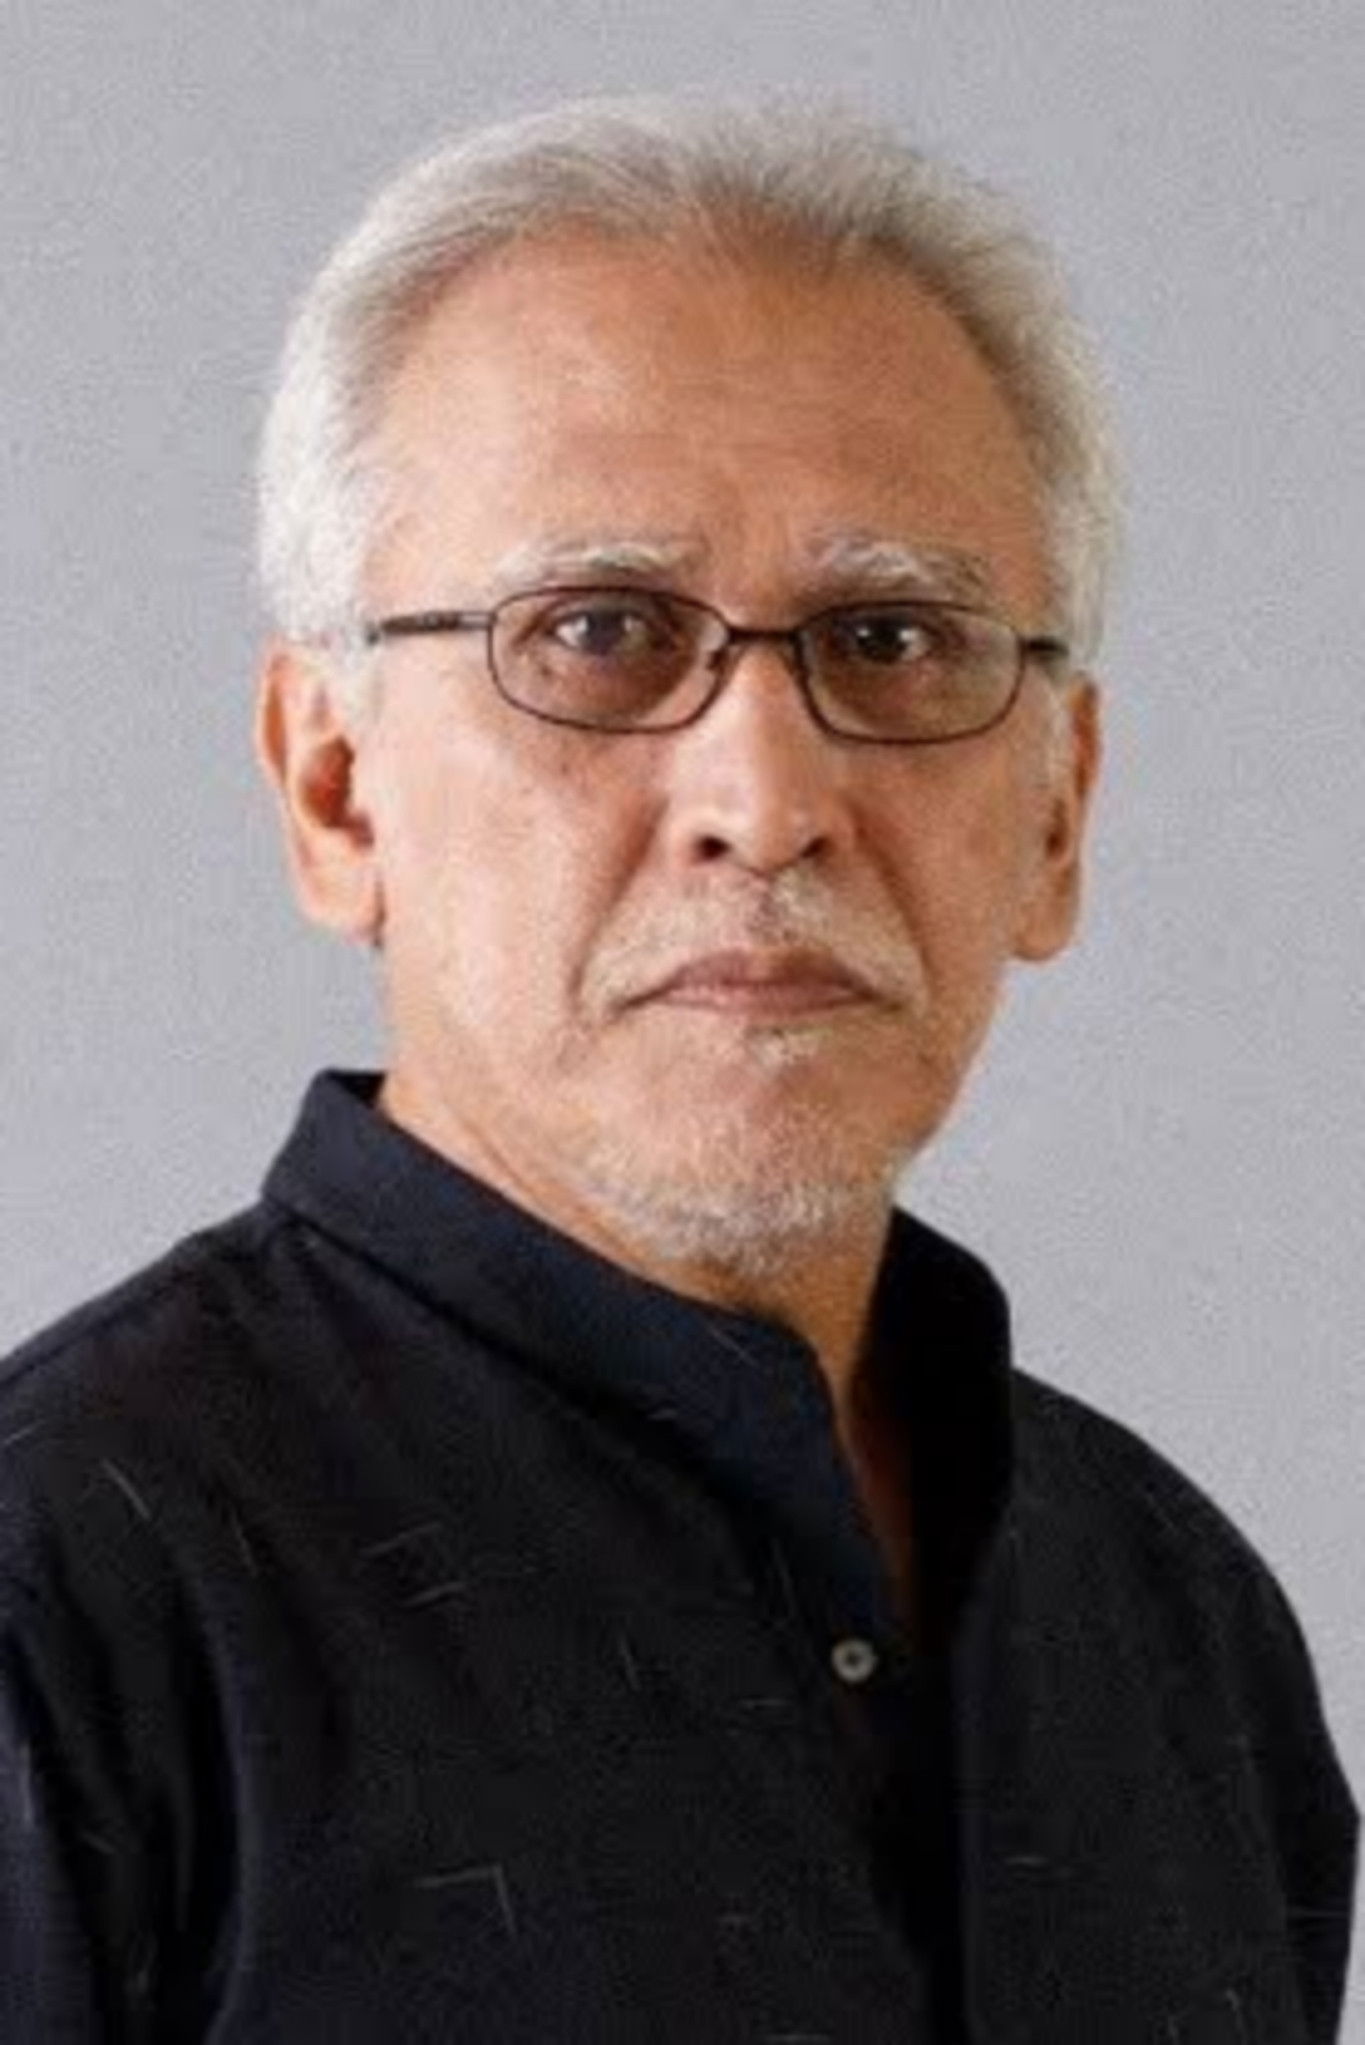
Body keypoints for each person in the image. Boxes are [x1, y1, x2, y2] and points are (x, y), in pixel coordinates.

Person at [0, 93, 1356, 2043]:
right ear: (334, 788)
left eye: (890, 640)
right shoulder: (66, 1607)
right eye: (597, 632)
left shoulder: (1173, 1621)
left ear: (1056, 811)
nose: (766, 795)